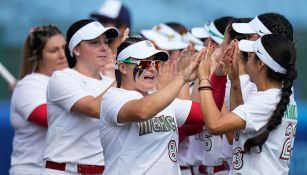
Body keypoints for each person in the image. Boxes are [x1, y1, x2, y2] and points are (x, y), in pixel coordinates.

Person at [99, 37, 227, 175]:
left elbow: (208, 116)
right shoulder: (113, 98)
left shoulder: (165, 101)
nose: (153, 68)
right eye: (145, 63)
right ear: (123, 67)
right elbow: (142, 111)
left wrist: (218, 76)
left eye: (156, 63)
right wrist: (182, 78)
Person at [198, 34, 297, 174]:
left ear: (260, 64)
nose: (244, 60)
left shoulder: (267, 100)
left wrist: (203, 78)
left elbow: (214, 125)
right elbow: (233, 135)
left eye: (249, 56)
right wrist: (234, 81)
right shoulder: (277, 95)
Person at [41, 19, 118, 175]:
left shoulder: (112, 82)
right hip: (65, 171)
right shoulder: (61, 78)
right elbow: (95, 108)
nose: (104, 47)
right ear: (76, 49)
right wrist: (125, 74)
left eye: (105, 42)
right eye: (95, 42)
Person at [9, 25, 67, 175]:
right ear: (38, 56)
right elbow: (53, 120)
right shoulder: (29, 85)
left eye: (64, 48)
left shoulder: (72, 82)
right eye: (54, 50)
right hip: (32, 170)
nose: (62, 55)